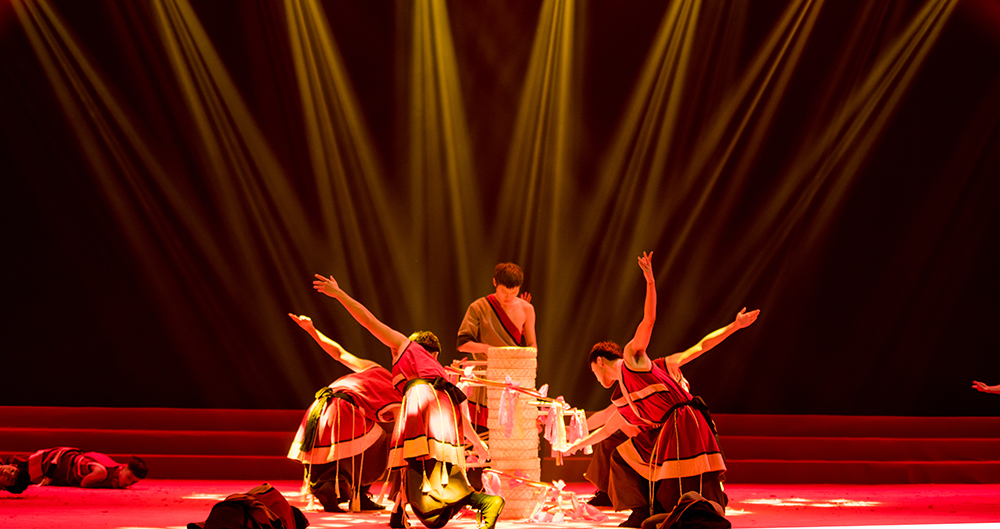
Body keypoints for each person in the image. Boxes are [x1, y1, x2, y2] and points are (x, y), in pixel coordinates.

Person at [562, 252, 759, 527]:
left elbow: (657, 325)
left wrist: (650, 282)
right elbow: (607, 428)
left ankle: (691, 512)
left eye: (593, 373)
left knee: (681, 484)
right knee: (622, 455)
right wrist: (574, 445)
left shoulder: (633, 359)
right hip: (667, 429)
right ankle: (642, 512)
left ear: (599, 362)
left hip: (684, 421)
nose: (595, 379)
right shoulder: (622, 395)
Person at [313, 273, 505, 529]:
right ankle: (398, 512)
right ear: (434, 353)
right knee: (421, 462)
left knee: (418, 461)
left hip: (422, 402)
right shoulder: (439, 373)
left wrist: (339, 294)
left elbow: (369, 321)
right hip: (443, 410)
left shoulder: (404, 346)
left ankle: (484, 502)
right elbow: (459, 406)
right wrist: (477, 442)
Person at [286, 313, 402, 513]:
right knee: (381, 442)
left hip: (319, 407)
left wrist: (312, 330)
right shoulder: (400, 391)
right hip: (342, 408)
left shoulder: (373, 368)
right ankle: (351, 491)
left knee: (347, 446)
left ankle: (328, 487)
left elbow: (339, 353)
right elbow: (400, 431)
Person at [456, 262, 537, 429]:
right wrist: (487, 349)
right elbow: (462, 344)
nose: (508, 297)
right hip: (486, 376)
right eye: (504, 292)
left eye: (513, 292)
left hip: (515, 377)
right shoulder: (478, 307)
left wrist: (529, 365)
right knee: (484, 431)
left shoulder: (527, 309)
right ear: (494, 283)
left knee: (515, 432)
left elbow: (531, 345)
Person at [3, 448, 147, 490]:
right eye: (129, 477)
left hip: (68, 457)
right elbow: (84, 483)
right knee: (24, 473)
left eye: (133, 482)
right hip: (61, 463)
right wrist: (109, 485)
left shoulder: (110, 463)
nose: (128, 483)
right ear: (122, 467)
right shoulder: (102, 472)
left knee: (22, 470)